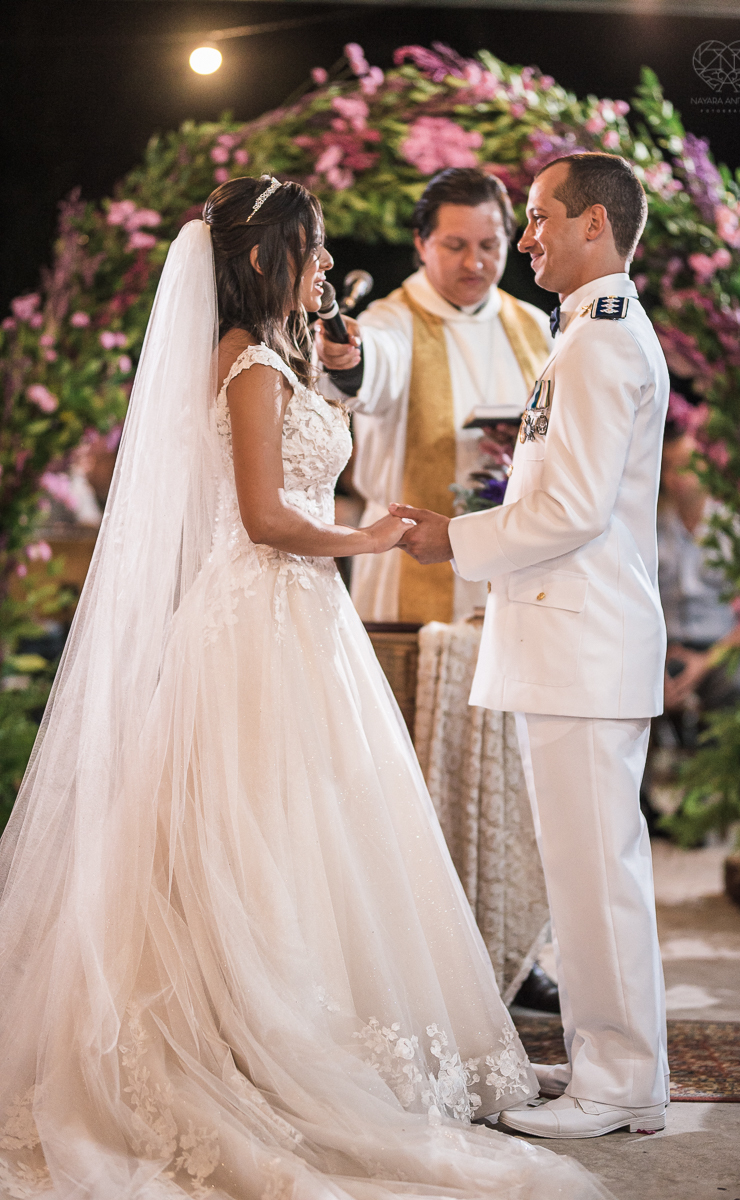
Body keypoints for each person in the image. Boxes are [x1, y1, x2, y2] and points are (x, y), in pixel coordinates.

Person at [0, 176, 609, 1199]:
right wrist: (366, 536)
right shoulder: (244, 367)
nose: (329, 265)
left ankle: (337, 1020)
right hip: (262, 610)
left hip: (295, 616)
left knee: (319, 827)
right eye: (315, 248)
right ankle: (252, 1035)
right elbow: (263, 518)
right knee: (257, 829)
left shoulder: (277, 357)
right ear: (266, 258)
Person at [391, 152, 671, 1139]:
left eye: (543, 217)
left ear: (596, 225)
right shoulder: (587, 335)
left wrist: (450, 538)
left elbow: (572, 508)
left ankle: (618, 1083)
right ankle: (615, 1072)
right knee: (590, 874)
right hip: (578, 640)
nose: (527, 238)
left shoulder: (598, 342)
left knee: (598, 877)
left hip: (584, 642)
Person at [316, 167, 552, 624]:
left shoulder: (535, 328)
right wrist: (349, 359)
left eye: (489, 246)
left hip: (513, 567)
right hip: (409, 561)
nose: (474, 264)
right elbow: (372, 361)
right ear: (422, 243)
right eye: (455, 245)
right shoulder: (394, 320)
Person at [658, 424, 740, 737]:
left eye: (685, 465)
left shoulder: (734, 527)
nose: (676, 477)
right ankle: (640, 786)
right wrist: (654, 663)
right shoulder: (649, 526)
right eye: (667, 467)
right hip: (662, 651)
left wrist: (704, 662)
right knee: (618, 689)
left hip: (719, 651)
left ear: (707, 467)